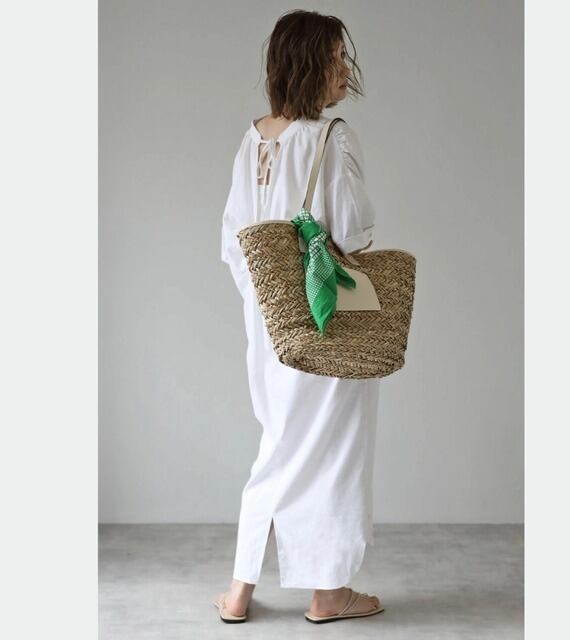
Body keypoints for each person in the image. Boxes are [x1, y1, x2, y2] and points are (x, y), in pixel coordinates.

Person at [216, 9, 384, 624]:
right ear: (311, 65)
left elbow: (233, 241)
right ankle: (328, 594)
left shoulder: (253, 139)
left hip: (268, 322)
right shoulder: (331, 136)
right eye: (336, 57)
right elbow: (355, 232)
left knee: (280, 443)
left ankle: (239, 590)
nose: (344, 69)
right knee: (334, 449)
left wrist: (267, 300)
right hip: (326, 316)